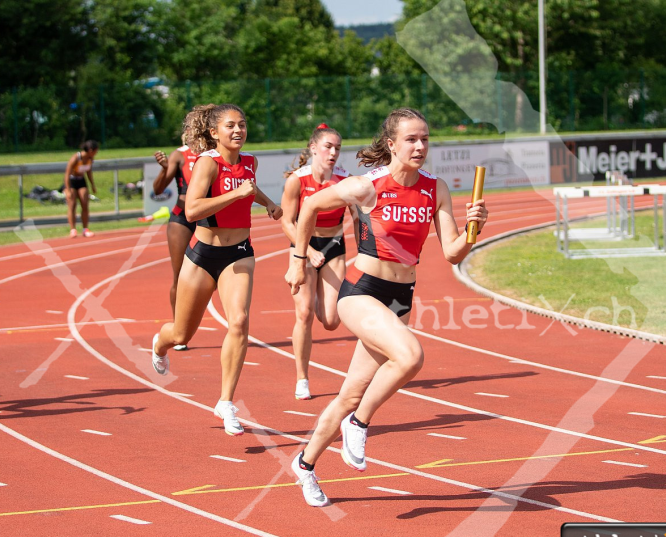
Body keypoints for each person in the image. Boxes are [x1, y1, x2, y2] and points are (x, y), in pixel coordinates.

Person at [284, 108, 489, 506]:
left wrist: (472, 231)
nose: (420, 146)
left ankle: (305, 464)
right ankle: (358, 424)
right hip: (362, 290)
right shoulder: (367, 186)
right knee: (410, 356)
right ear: (391, 144)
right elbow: (308, 209)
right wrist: (297, 259)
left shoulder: (435, 188)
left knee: (348, 393)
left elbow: (451, 252)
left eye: (425, 139)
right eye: (411, 139)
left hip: (401, 297)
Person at [151, 103, 282, 437]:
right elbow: (192, 210)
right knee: (181, 333)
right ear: (214, 133)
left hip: (239, 253)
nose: (238, 131)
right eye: (230, 126)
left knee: (238, 321)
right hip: (202, 255)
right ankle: (159, 344)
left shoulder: (249, 161)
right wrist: (236, 194)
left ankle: (226, 401)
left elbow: (247, 189)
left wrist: (267, 202)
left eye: (242, 124)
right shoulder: (207, 163)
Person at [280, 123, 355, 401]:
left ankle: (322, 300)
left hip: (334, 245)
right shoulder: (297, 180)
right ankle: (302, 378)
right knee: (304, 314)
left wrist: (369, 248)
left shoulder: (346, 180)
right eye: (328, 146)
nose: (333, 152)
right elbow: (287, 222)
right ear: (314, 148)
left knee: (333, 320)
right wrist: (308, 252)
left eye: (337, 148)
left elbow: (359, 216)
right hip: (302, 247)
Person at [152, 114, 201, 351]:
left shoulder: (213, 154)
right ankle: (177, 324)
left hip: (206, 219)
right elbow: (159, 189)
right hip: (182, 219)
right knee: (179, 275)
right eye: (191, 129)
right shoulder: (179, 155)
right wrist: (164, 170)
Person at [63, 140, 99, 238]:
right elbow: (67, 174)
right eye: (96, 151)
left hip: (81, 180)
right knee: (72, 204)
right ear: (91, 150)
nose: (96, 153)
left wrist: (92, 185)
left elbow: (89, 172)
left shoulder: (90, 159)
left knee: (84, 202)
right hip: (72, 181)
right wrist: (67, 189)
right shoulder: (76, 158)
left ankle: (85, 229)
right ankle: (73, 229)